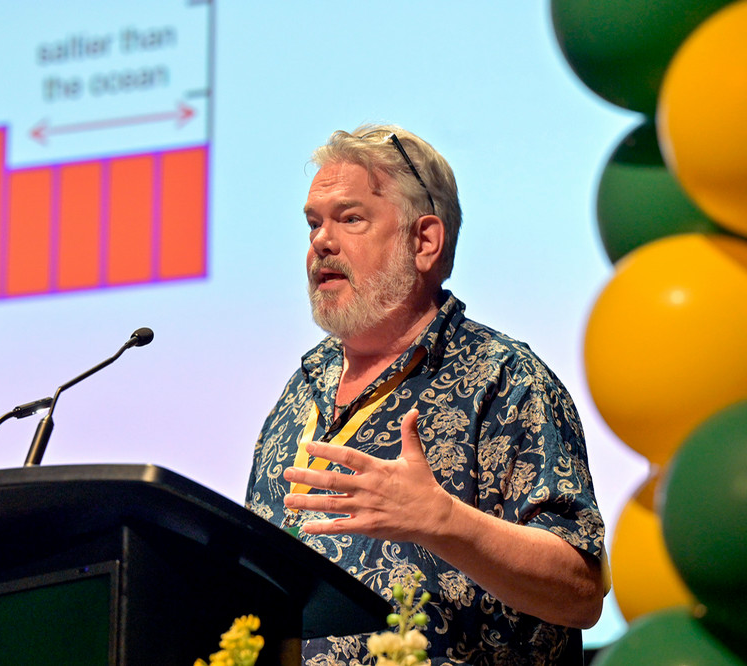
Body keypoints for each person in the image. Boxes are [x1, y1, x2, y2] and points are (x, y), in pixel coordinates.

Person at [245, 124, 606, 665]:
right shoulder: (298, 394)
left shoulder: (504, 379)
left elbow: (579, 590)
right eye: (314, 224)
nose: (321, 240)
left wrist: (442, 520)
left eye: (350, 218)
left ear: (425, 241)